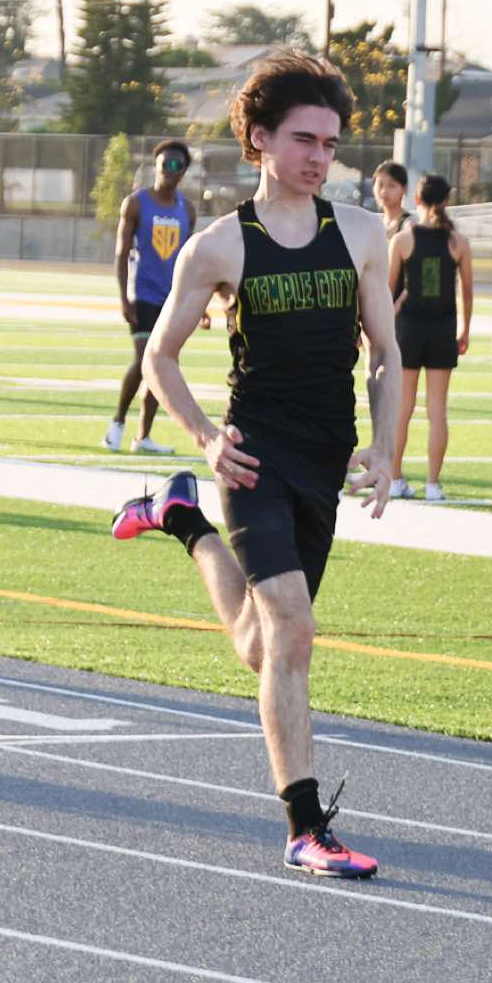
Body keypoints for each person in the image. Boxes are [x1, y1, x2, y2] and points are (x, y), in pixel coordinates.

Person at [110, 50, 397, 879]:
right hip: (253, 460)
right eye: (304, 139)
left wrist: (385, 445)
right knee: (293, 631)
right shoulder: (220, 246)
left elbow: (386, 353)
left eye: (330, 143)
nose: (319, 157)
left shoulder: (362, 234)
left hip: (325, 462)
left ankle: (181, 519)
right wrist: (207, 438)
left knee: (261, 645)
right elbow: (160, 356)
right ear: (260, 139)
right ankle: (306, 826)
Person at [104, 140, 198, 455]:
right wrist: (124, 298)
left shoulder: (187, 210)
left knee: (164, 365)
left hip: (172, 299)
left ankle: (143, 437)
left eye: (177, 165)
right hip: (142, 294)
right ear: (155, 166)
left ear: (183, 172)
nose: (170, 170)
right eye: (165, 163)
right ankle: (117, 423)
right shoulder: (136, 203)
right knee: (145, 360)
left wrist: (196, 301)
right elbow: (121, 253)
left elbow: (188, 259)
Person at [386, 173, 471, 501]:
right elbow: (467, 291)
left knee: (403, 407)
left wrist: (383, 326)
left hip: (408, 329)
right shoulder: (458, 242)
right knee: (437, 409)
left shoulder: (403, 240)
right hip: (442, 328)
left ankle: (395, 478)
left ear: (417, 199)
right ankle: (433, 485)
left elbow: (387, 290)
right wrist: (465, 329)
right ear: (447, 200)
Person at [371, 159, 410, 239]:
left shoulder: (409, 224)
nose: (384, 191)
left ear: (405, 189)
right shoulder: (374, 222)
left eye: (391, 185)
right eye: (380, 185)